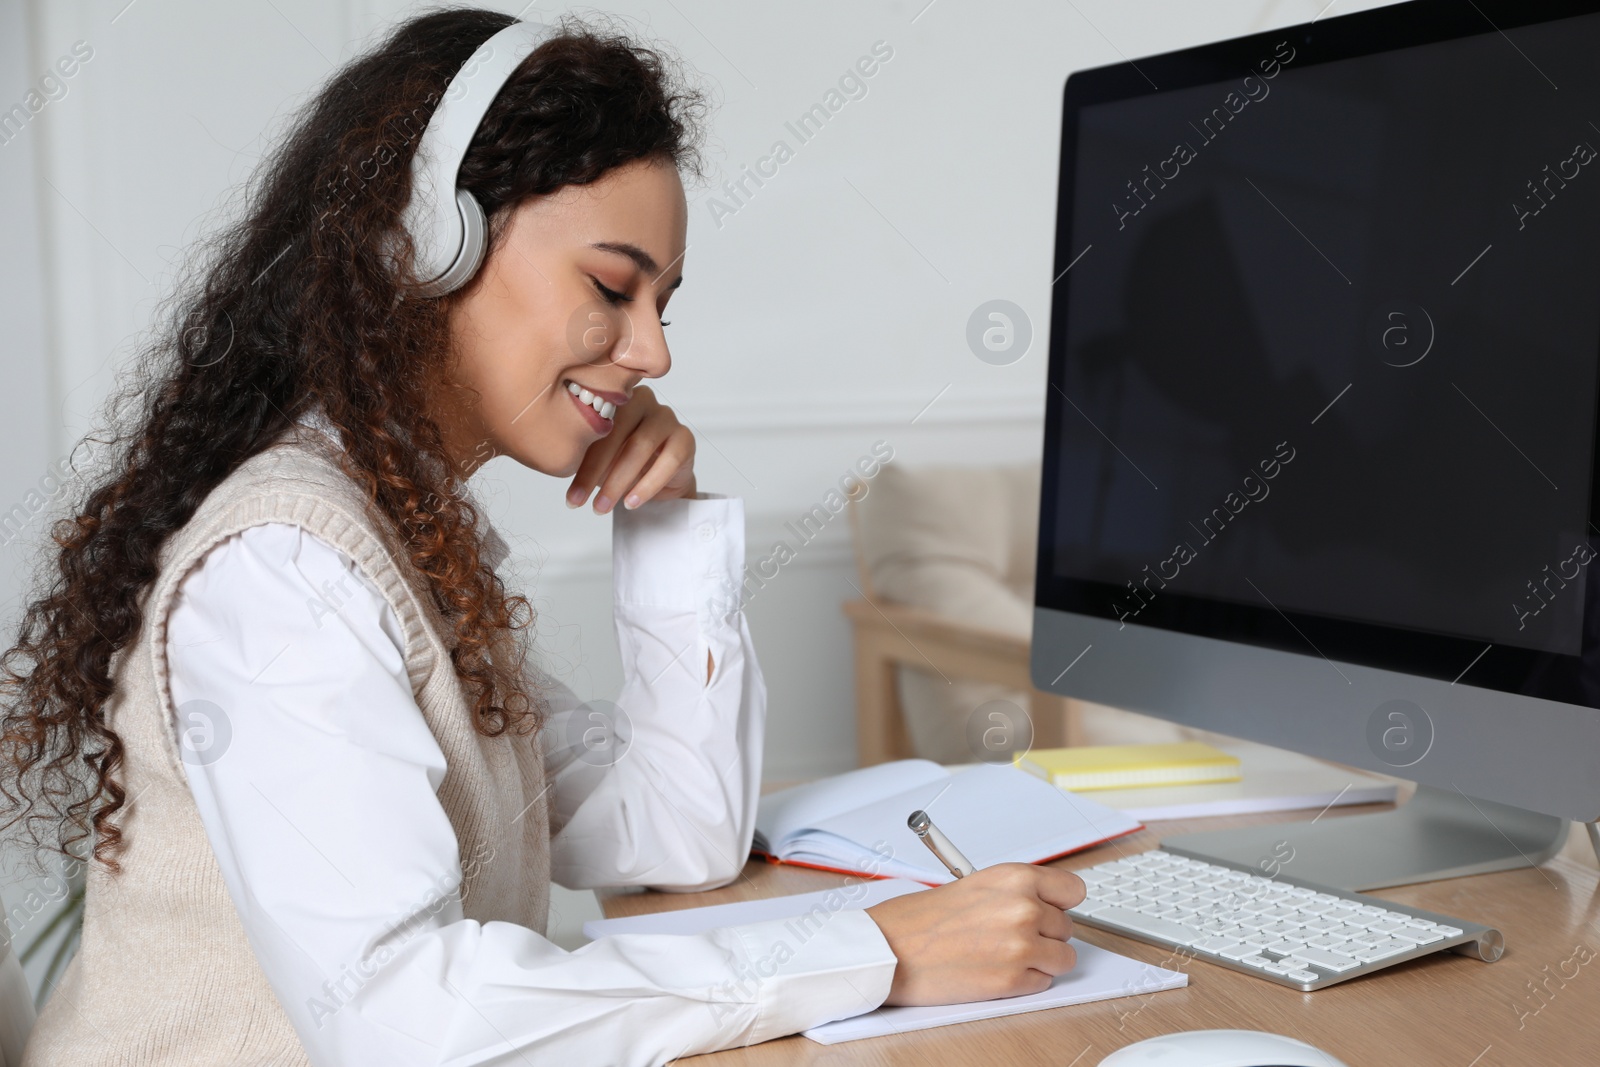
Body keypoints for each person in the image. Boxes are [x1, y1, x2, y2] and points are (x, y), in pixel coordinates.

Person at [0, 10, 1083, 1065]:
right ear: (423, 242)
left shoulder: (404, 534)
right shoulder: (287, 571)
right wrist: (872, 950)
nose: (653, 350)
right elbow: (408, 1023)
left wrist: (667, 530)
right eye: (613, 287)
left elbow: (677, 832)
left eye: (664, 301)